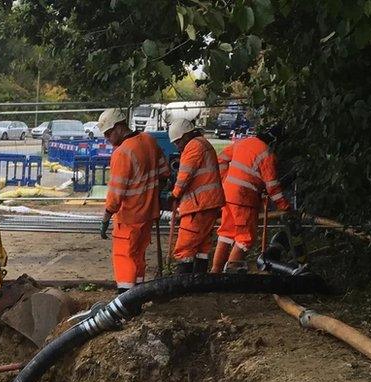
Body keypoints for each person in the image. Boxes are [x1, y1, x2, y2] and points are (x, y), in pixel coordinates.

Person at [98, 108, 171, 293]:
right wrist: (151, 197)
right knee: (138, 255)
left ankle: (125, 298)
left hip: (129, 216)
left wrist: (106, 216)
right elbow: (165, 173)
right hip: (148, 214)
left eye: (108, 133)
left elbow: (116, 192)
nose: (107, 138)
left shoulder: (122, 153)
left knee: (124, 256)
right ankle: (138, 295)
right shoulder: (149, 141)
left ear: (119, 127)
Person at [211, 126, 293, 272]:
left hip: (228, 194)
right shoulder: (266, 154)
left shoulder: (243, 142)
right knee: (245, 238)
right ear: (274, 142)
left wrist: (226, 181)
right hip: (244, 199)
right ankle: (231, 273)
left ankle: (215, 271)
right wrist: (285, 206)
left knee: (226, 234)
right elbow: (273, 187)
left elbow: (221, 160)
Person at [167, 117, 225, 273]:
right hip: (209, 204)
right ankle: (199, 282)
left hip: (198, 206)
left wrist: (174, 194)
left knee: (185, 246)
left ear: (186, 135)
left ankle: (181, 285)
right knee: (202, 245)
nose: (177, 146)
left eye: (178, 142)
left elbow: (185, 175)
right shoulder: (204, 144)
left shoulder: (193, 147)